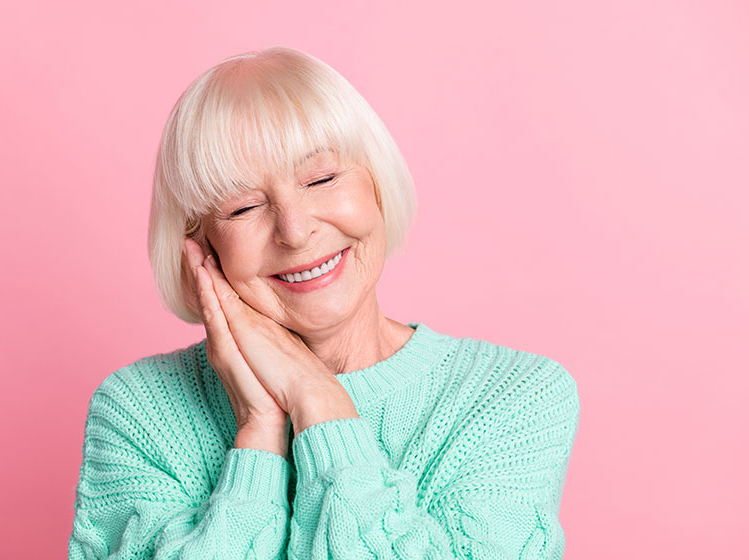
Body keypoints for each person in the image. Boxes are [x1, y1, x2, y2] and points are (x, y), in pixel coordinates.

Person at [67, 46, 580, 559]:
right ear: (200, 247)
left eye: (322, 179)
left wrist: (319, 399)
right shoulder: (140, 411)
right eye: (244, 207)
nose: (295, 231)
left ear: (376, 185)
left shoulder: (514, 397)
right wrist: (258, 429)